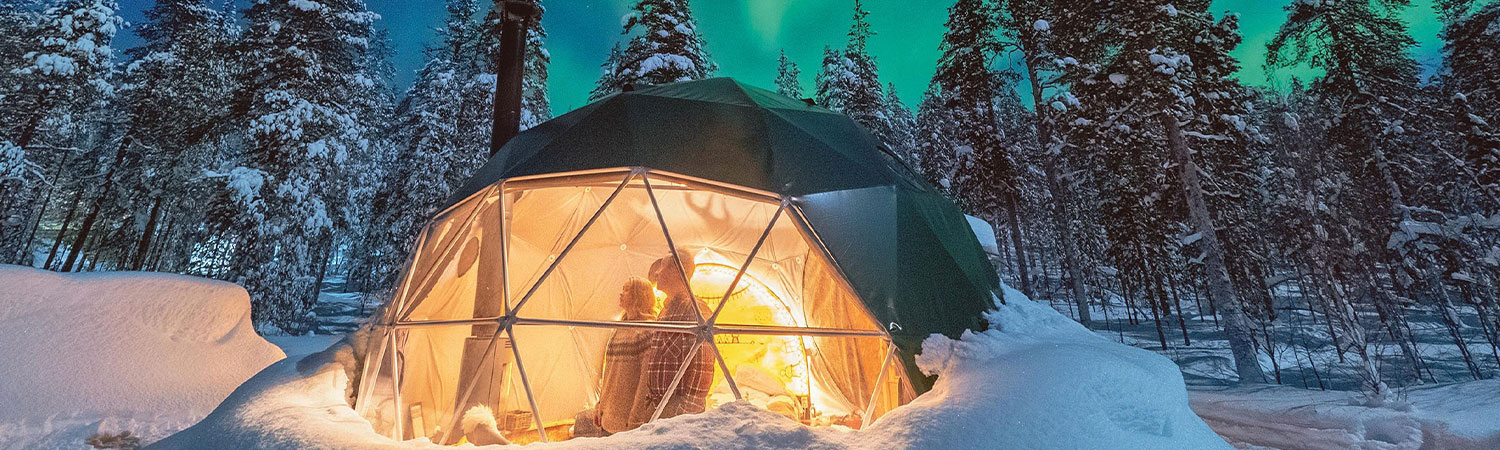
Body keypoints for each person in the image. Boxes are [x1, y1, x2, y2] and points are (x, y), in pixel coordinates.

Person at [642, 249, 715, 421]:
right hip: (659, 409)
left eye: (663, 267)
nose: (657, 273)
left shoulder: (695, 310)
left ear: (678, 271)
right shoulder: (666, 311)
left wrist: (683, 416)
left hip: (676, 414)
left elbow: (702, 369)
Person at [591, 277, 657, 435]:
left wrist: (636, 419)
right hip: (608, 418)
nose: (621, 294)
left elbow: (645, 381)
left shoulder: (648, 331)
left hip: (627, 422)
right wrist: (600, 405)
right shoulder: (619, 328)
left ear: (639, 295)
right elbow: (609, 373)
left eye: (627, 289)